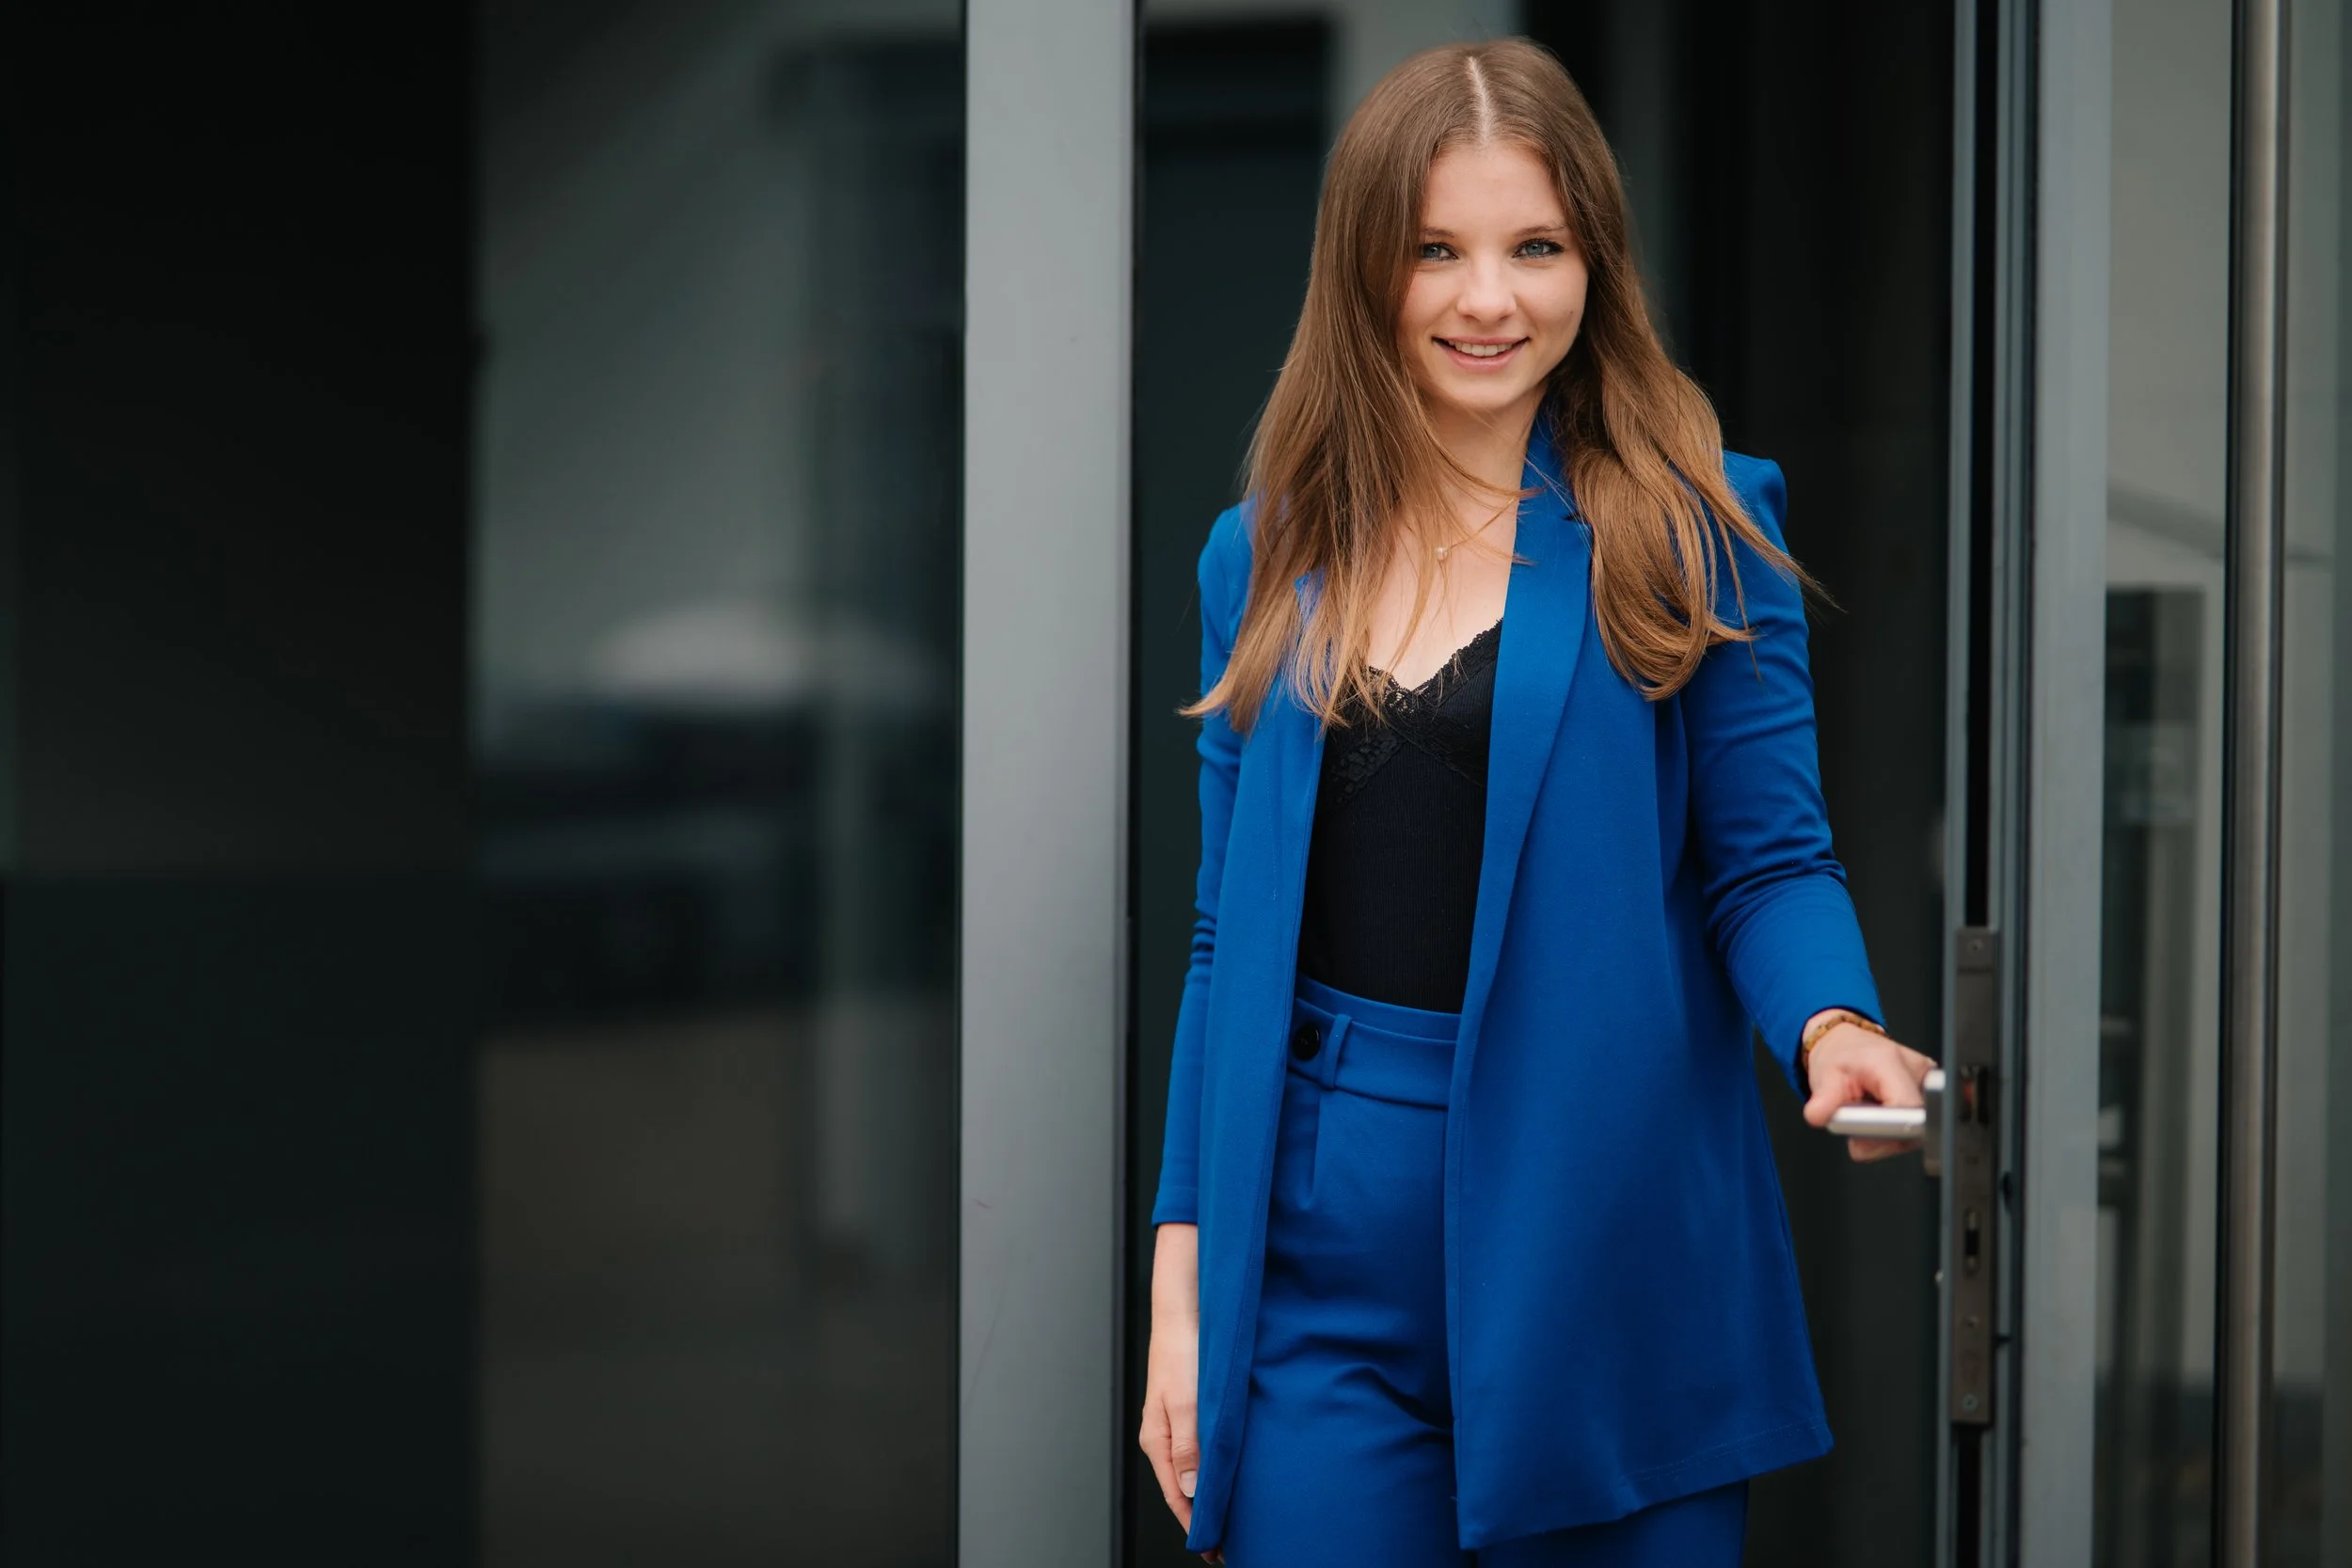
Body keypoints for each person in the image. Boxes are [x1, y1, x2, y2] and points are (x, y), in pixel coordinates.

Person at [1135, 37, 1938, 1568]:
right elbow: (1224, 947)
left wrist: (1833, 1025)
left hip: (1612, 1230)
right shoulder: (1264, 552)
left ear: (1595, 261)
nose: (1488, 299)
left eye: (1535, 248)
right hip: (1320, 1266)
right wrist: (1186, 1299)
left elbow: (1768, 863)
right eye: (1436, 251)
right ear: (1365, 268)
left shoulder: (1698, 519)